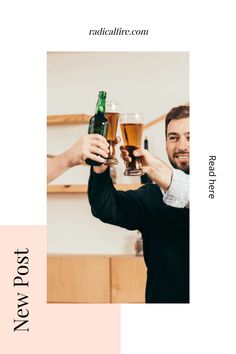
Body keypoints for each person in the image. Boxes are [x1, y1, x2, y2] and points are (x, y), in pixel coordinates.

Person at [88, 105, 190, 303]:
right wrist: (100, 165)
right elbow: (106, 207)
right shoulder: (152, 196)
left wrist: (156, 169)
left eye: (190, 137)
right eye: (173, 137)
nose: (181, 146)